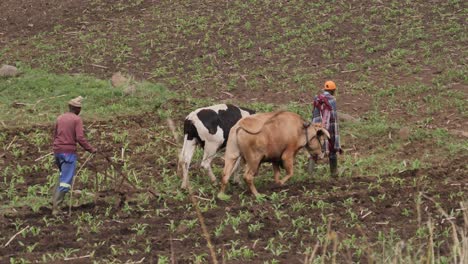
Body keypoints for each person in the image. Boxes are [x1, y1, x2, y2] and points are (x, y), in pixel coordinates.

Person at [52, 96, 96, 215]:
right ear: (78, 109)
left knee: (62, 176)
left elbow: (55, 134)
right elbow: (80, 137)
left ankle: (54, 202)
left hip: (57, 151)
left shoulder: (60, 118)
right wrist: (90, 149)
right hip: (68, 152)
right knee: (66, 180)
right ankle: (57, 208)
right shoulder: (77, 119)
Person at [309, 81, 343, 177]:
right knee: (332, 148)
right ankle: (334, 173)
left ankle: (310, 174)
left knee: (315, 148)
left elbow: (314, 114)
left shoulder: (317, 99)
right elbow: (333, 118)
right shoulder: (332, 100)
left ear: (325, 89)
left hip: (316, 127)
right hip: (329, 128)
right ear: (333, 91)